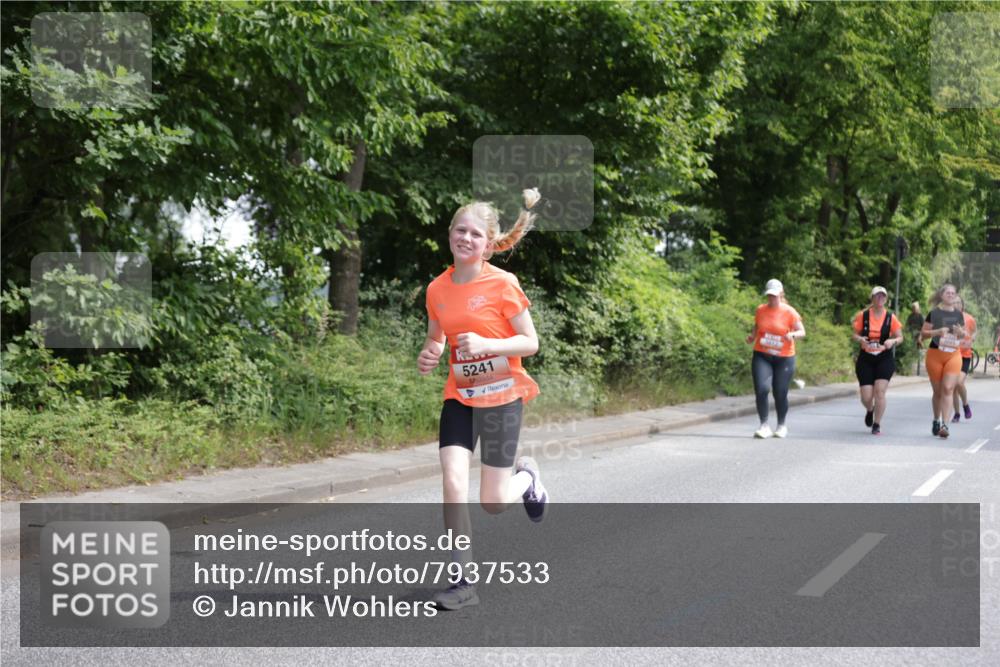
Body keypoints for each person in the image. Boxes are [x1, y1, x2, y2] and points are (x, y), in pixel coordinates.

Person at [417, 188, 548, 610]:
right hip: (460, 396)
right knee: (453, 482)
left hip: (503, 395)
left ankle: (527, 478)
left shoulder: (503, 283)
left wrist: (491, 346)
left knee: (492, 502)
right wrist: (430, 353)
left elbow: (530, 343)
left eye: (476, 234)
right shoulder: (437, 289)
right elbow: (437, 339)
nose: (466, 238)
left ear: (488, 245)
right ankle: (463, 582)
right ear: (450, 235)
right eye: (460, 230)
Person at [745, 279, 805, 438]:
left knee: (780, 392)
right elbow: (757, 325)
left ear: (781, 294)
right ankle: (764, 425)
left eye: (774, 296)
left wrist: (792, 334)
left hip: (784, 358)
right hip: (762, 355)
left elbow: (802, 331)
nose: (771, 299)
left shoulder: (790, 312)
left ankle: (781, 425)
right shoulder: (761, 310)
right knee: (762, 389)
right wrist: (752, 336)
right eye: (769, 296)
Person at [850, 286, 904, 435]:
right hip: (866, 358)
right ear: (872, 298)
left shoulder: (890, 318)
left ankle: (877, 424)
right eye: (877, 296)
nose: (880, 299)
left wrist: (892, 341)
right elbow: (854, 334)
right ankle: (870, 409)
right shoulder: (863, 315)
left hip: (884, 358)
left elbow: (900, 337)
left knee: (879, 392)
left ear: (886, 299)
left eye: (883, 296)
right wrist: (860, 338)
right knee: (866, 396)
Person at [920, 284, 966, 438]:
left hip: (953, 355)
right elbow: (924, 334)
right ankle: (936, 419)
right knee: (938, 392)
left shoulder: (959, 315)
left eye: (953, 293)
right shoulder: (933, 313)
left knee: (948, 389)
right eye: (948, 292)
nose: (951, 295)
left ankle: (945, 425)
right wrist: (937, 331)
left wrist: (961, 333)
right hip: (935, 354)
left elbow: (962, 336)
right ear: (941, 295)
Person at [951, 295, 977, 422]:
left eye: (958, 302)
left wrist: (972, 339)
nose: (956, 304)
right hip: (952, 355)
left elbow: (974, 332)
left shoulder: (969, 319)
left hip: (965, 355)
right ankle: (956, 414)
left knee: (959, 382)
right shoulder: (948, 318)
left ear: (962, 305)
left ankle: (965, 405)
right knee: (953, 387)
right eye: (954, 302)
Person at [906, 301, 925, 375]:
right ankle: (914, 359)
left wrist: (920, 332)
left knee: (918, 341)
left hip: (919, 332)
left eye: (915, 308)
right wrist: (907, 330)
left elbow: (923, 326)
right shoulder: (910, 316)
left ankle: (921, 349)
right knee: (913, 345)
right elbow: (907, 324)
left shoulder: (920, 316)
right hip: (912, 332)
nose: (913, 309)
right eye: (913, 308)